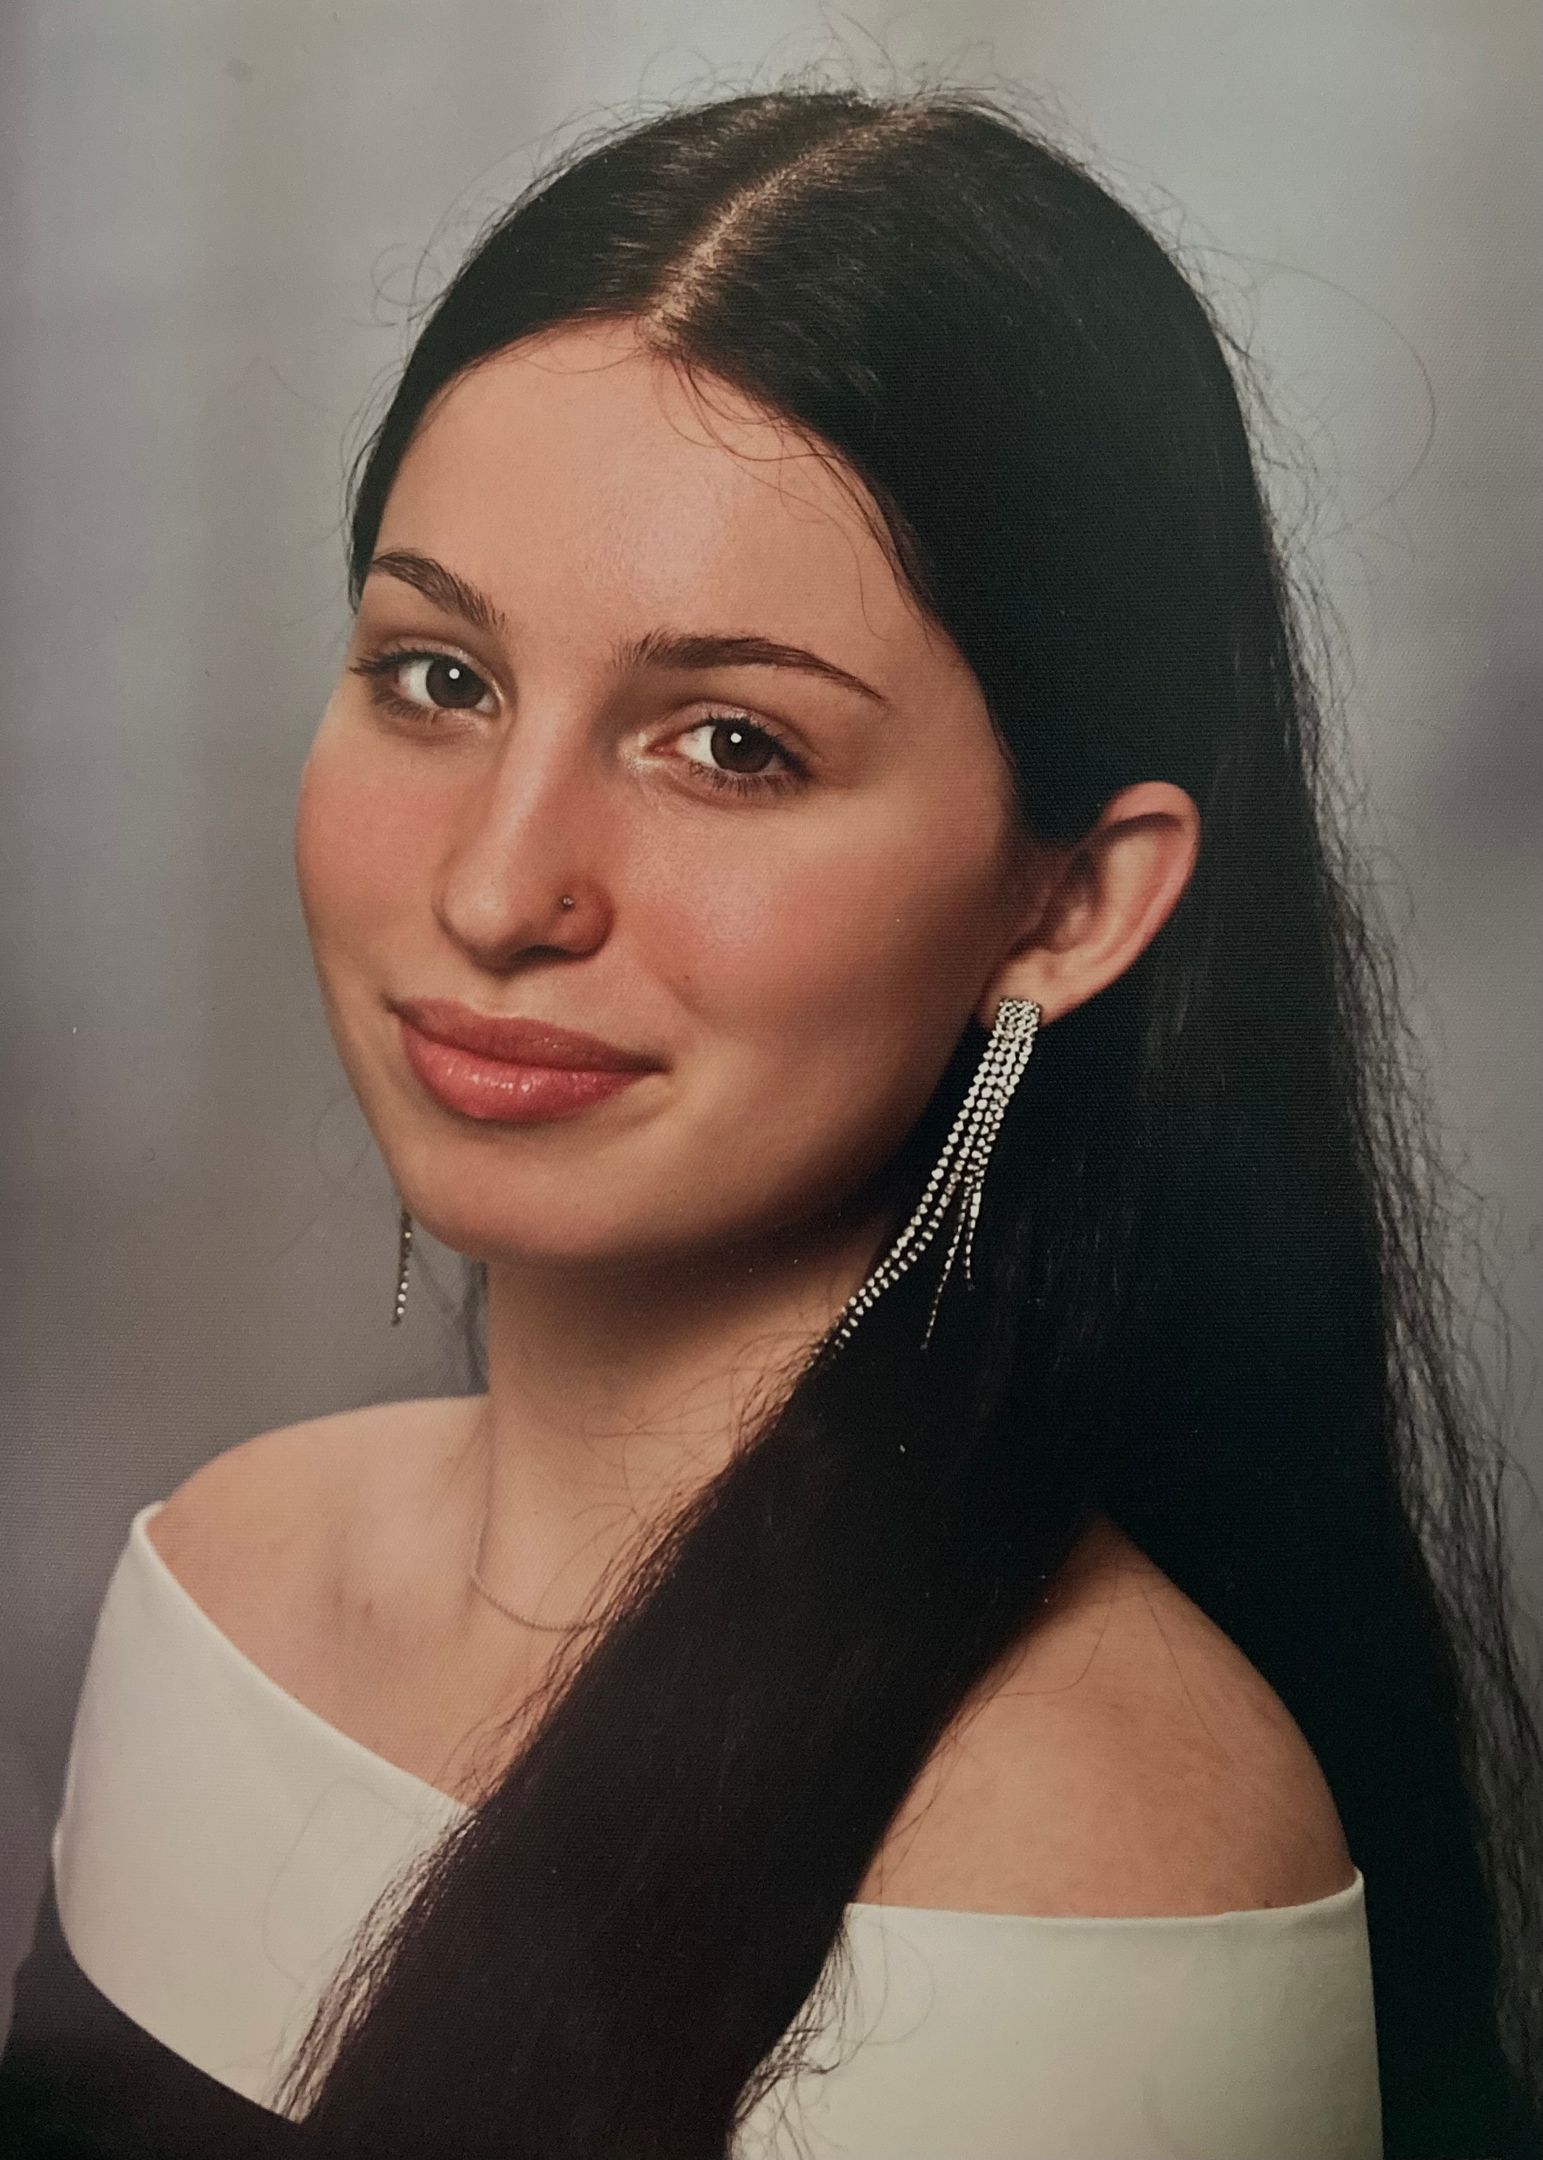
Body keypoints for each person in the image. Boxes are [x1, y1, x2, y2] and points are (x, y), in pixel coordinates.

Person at [2, 80, 1539, 2160]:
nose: (496, 890)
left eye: (730, 744)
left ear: (1070, 905)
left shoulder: (1091, 1850)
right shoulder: (222, 1570)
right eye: (439, 677)